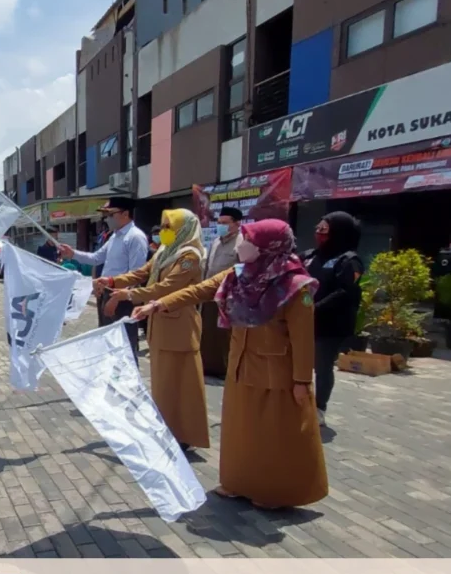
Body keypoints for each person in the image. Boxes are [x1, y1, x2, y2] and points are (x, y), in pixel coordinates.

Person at [135, 218, 327, 509]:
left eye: (248, 240)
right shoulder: (239, 274)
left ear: (267, 247)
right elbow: (200, 290)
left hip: (276, 374)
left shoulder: (296, 286)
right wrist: (158, 304)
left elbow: (303, 340)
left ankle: (275, 492)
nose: (241, 244)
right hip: (239, 367)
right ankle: (238, 483)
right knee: (240, 431)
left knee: (271, 434)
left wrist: (302, 381)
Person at [99, 209, 210, 451]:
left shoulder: (189, 256)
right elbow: (142, 273)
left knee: (181, 382)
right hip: (160, 322)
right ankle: (168, 429)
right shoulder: (164, 251)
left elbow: (166, 287)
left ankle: (184, 434)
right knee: (163, 382)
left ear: (184, 229)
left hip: (179, 326)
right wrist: (112, 281)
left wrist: (129, 294)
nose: (163, 232)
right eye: (162, 227)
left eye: (169, 227)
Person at [58, 197, 150, 355]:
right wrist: (72, 254)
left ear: (125, 214)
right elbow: (96, 258)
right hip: (107, 293)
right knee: (108, 343)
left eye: (110, 214)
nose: (107, 219)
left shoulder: (135, 237)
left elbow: (137, 275)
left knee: (124, 345)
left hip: (122, 299)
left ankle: (126, 379)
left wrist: (116, 298)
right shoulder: (114, 237)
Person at [301, 212, 364, 427]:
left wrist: (316, 308)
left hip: (330, 324)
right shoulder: (310, 256)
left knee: (322, 366)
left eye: (324, 231)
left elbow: (344, 292)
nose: (318, 234)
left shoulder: (350, 261)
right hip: (303, 320)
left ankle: (319, 408)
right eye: (317, 229)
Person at [200, 207, 244, 378]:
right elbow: (208, 268)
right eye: (219, 223)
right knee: (208, 333)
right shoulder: (216, 242)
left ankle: (226, 370)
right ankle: (208, 366)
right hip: (210, 295)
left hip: (229, 297)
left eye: (225, 223)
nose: (221, 226)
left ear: (237, 224)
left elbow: (243, 272)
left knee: (225, 336)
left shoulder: (242, 243)